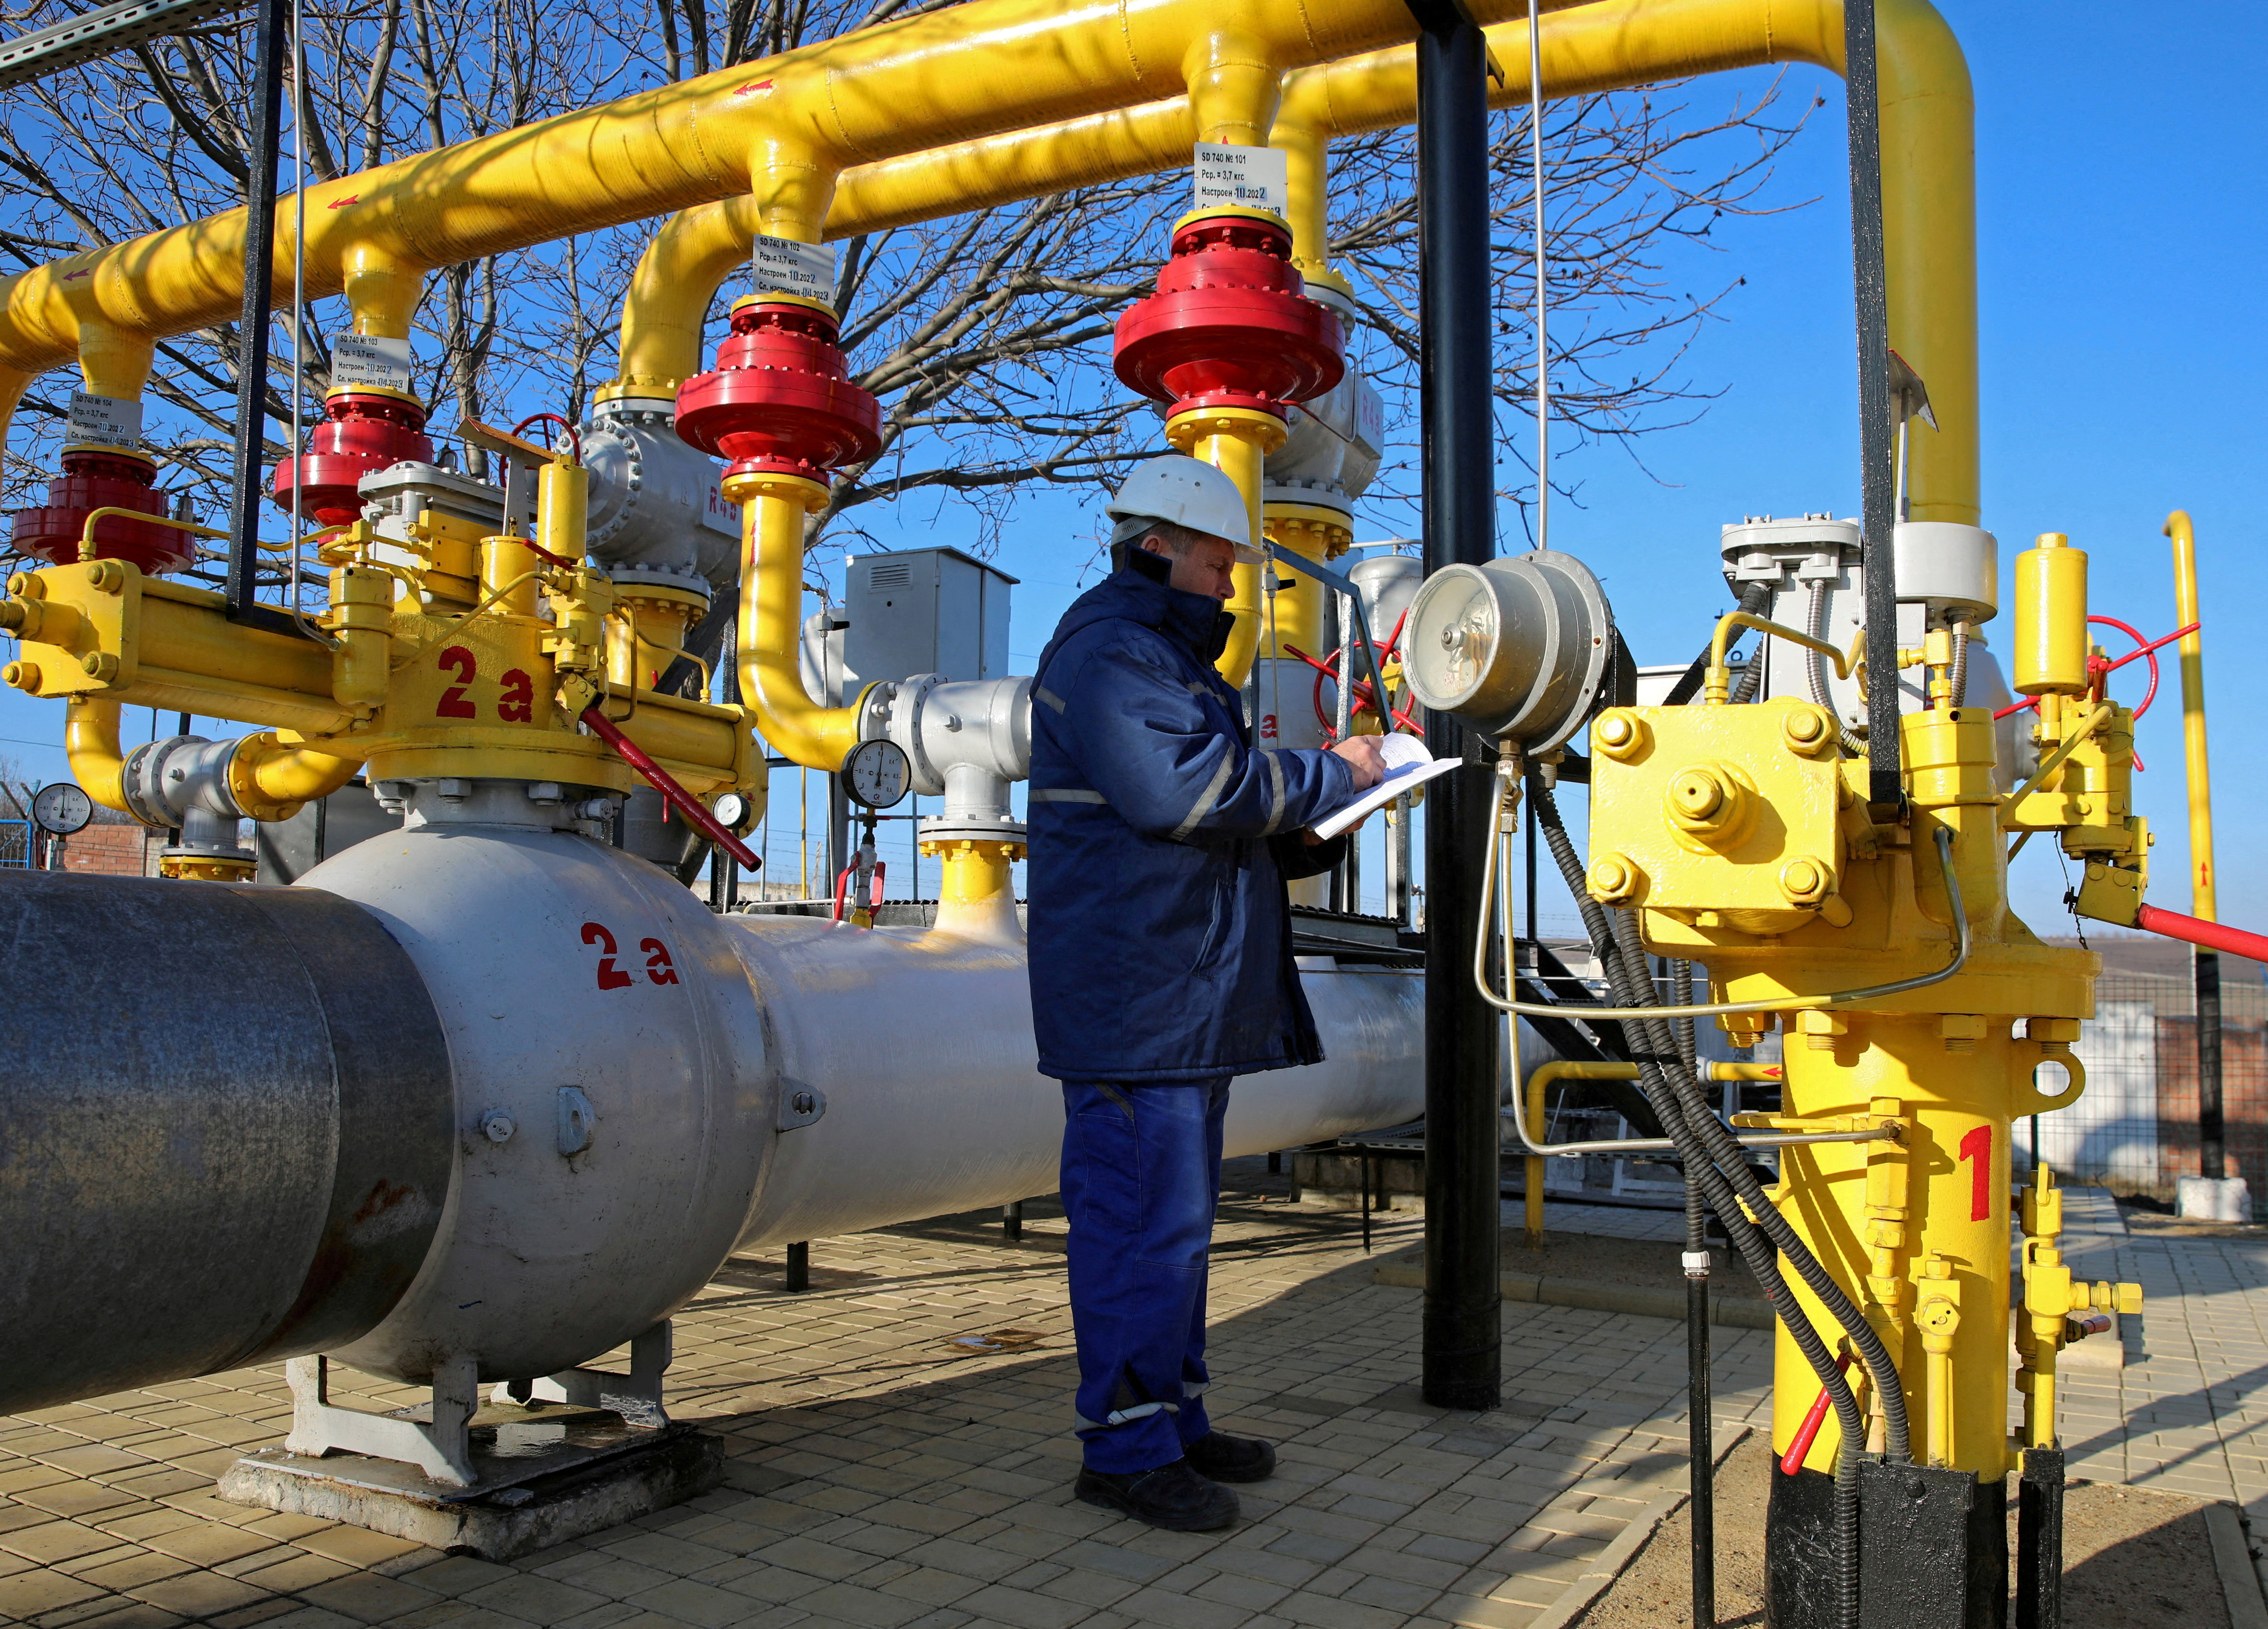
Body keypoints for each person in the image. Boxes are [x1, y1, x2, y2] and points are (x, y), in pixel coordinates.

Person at [1024, 455, 1387, 1532]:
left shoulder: (1164, 662)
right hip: (1142, 1006)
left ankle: (1171, 1418)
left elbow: (1221, 826)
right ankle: (1125, 1449)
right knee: (1141, 1227)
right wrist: (1345, 774)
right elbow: (1188, 791)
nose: (1232, 586)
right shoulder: (1112, 655)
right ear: (1161, 548)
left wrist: (1324, 817)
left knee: (1173, 1230)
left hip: (1174, 998)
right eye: (1221, 562)